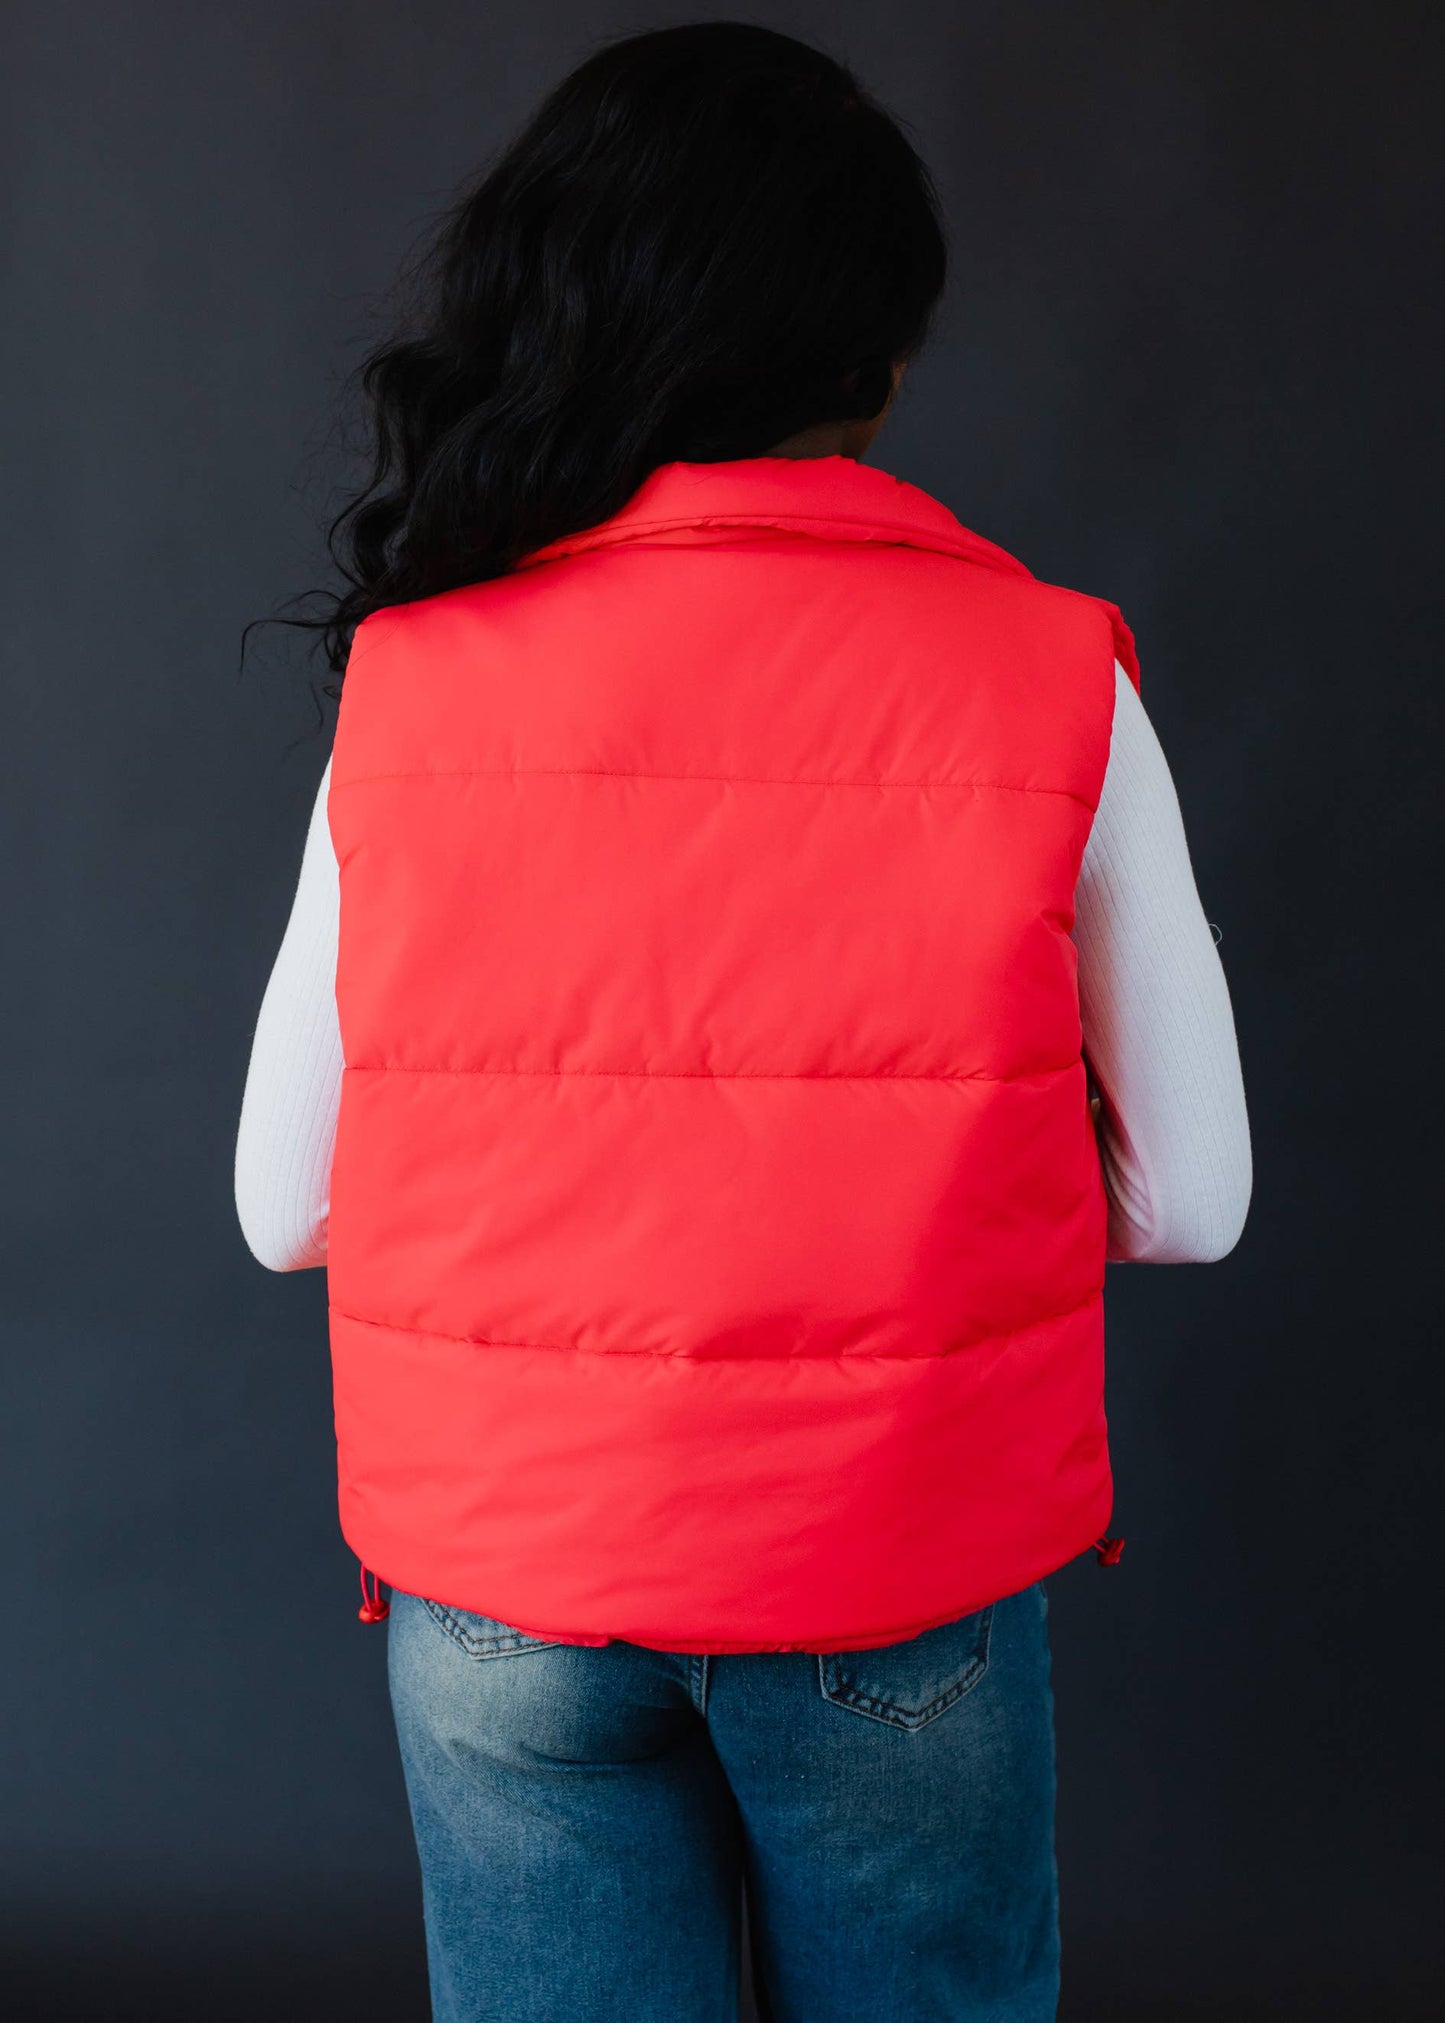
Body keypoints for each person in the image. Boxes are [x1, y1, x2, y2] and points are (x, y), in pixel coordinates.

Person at [234, 23, 1250, 2022]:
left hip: (507, 1579)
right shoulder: (1051, 672)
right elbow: (1198, 1196)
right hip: (890, 1569)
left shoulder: (417, 685)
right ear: (869, 345)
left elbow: (284, 1206)